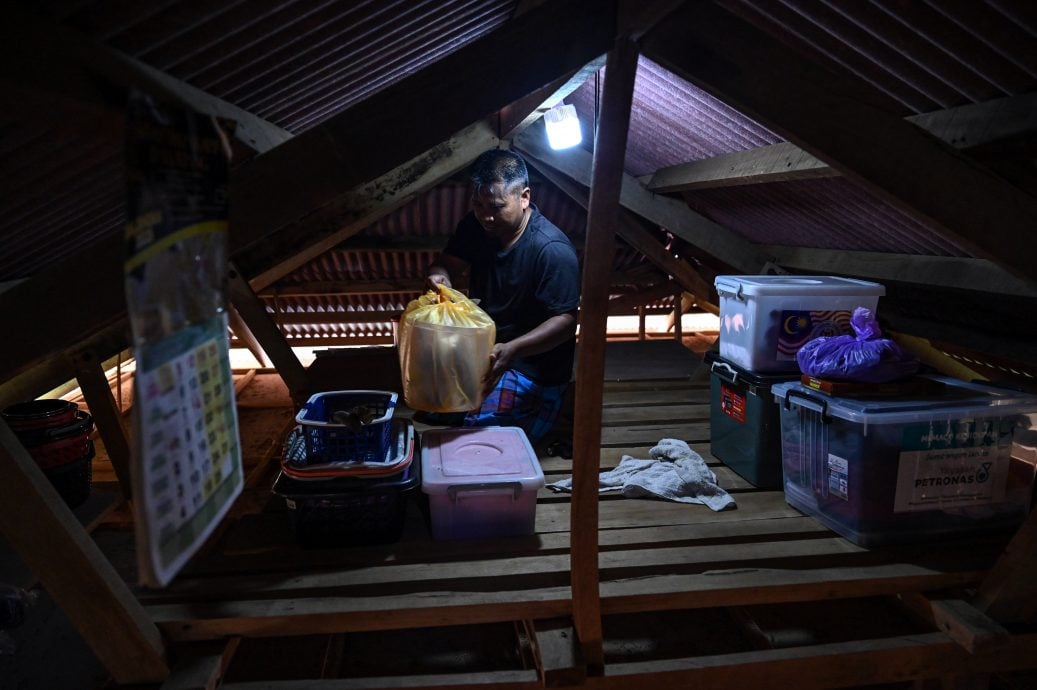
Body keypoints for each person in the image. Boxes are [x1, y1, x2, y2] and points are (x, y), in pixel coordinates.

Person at [425, 149, 580, 443]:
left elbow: (566, 322)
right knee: (432, 399)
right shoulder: (476, 226)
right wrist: (440, 277)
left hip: (533, 366)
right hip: (487, 350)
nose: (486, 215)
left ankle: (551, 406)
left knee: (480, 436)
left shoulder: (551, 250)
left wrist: (513, 349)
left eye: (496, 206)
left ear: (524, 197)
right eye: (478, 204)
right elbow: (447, 263)